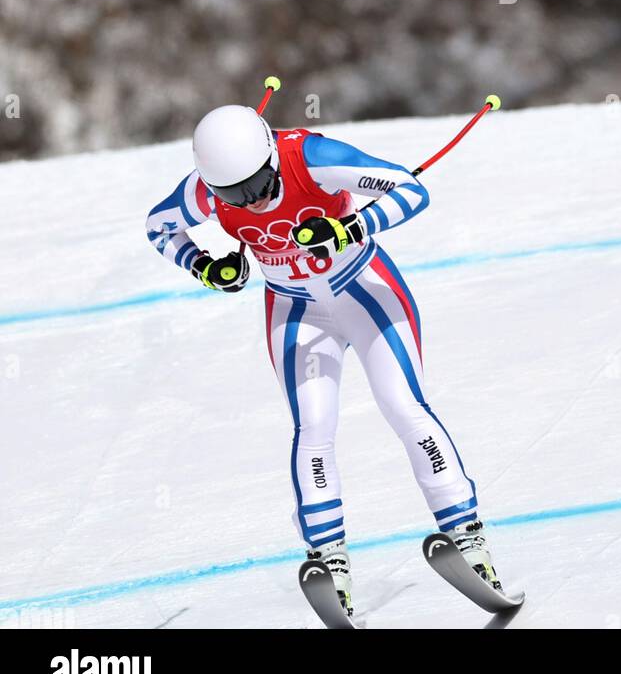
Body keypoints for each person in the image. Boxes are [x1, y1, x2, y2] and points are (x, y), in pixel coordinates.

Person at [145, 103, 499, 617]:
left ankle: (469, 539)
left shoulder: (312, 158)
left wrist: (353, 228)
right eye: (235, 196)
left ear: (271, 155)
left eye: (261, 186)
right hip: (295, 308)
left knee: (404, 406)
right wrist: (203, 265)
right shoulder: (202, 191)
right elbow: (159, 227)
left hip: (367, 292)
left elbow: (412, 189)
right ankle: (329, 560)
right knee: (313, 426)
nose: (255, 203)